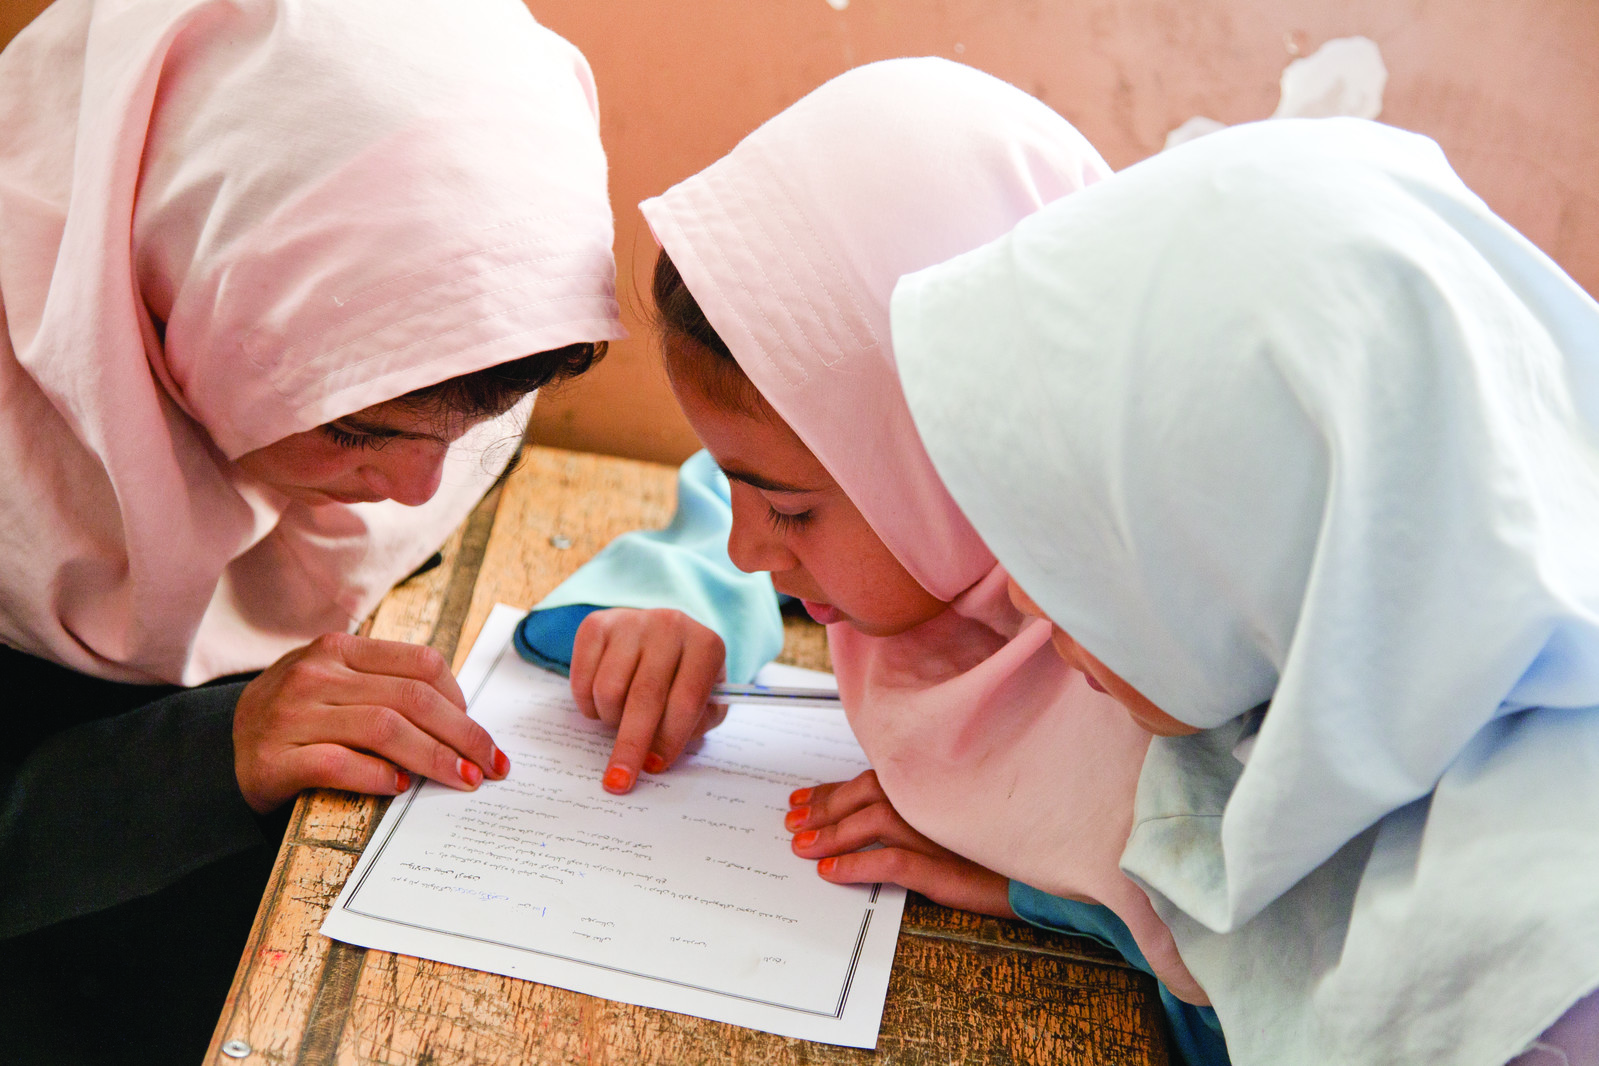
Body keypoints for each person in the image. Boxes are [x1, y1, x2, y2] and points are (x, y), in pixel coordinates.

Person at [554, 58, 1226, 1064]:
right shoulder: (920, 510)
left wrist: (1046, 893)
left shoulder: (1179, 649)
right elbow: (727, 506)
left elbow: (1272, 991)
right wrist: (673, 614)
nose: (746, 543)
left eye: (784, 508)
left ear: (956, 452)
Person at [889, 116, 1599, 1064]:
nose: (1019, 595)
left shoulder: (1539, 981)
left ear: (1256, 533)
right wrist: (1063, 902)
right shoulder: (1344, 718)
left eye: (1084, 539)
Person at [0, 0, 621, 1059]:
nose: (422, 492)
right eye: (354, 427)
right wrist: (214, 749)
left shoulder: (424, 326)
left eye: (476, 423)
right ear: (164, 282)